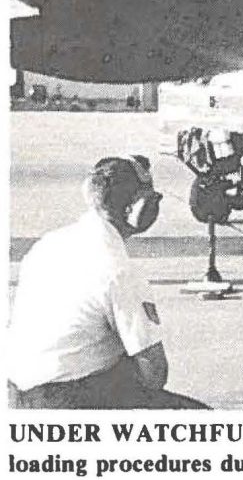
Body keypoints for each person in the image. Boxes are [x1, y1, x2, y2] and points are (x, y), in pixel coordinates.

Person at [7, 156, 207, 409]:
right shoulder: (120, 270)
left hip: (18, 397)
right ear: (136, 209)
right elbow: (154, 373)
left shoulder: (47, 244)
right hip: (70, 401)